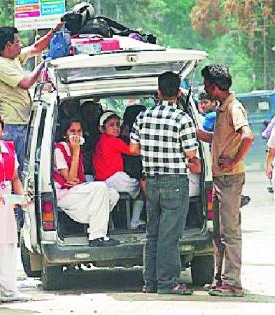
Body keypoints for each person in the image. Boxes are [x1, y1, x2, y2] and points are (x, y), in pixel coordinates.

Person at [130, 71, 199, 295]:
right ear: (178, 93)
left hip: (151, 182)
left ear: (158, 92)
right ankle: (168, 283)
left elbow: (133, 149)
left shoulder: (143, 117)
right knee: (170, 235)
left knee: (153, 233)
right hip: (175, 182)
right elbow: (190, 153)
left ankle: (150, 282)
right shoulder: (182, 119)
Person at [197, 64, 254, 297]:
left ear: (213, 86)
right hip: (221, 178)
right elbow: (220, 138)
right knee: (218, 232)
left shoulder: (233, 107)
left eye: (206, 84)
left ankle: (233, 284)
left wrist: (233, 161)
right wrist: (196, 133)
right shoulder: (222, 109)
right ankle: (221, 280)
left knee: (229, 232)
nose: (204, 88)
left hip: (230, 178)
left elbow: (247, 136)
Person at [0, 22, 63, 175]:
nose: (21, 44)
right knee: (16, 169)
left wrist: (53, 31)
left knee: (27, 166)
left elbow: (37, 48)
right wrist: (44, 63)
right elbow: (26, 83)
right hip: (14, 125)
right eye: (17, 42)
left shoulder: (14, 58)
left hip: (25, 121)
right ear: (8, 45)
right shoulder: (0, 65)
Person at [0, 113, 30, 303]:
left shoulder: (8, 148)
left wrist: (22, 197)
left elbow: (15, 177)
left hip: (6, 202)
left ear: (3, 129)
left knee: (6, 246)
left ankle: (9, 291)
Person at [54, 117, 120, 247]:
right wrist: (76, 151)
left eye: (79, 131)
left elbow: (77, 180)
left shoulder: (77, 150)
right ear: (64, 133)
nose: (76, 135)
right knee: (100, 187)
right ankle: (97, 236)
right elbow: (70, 178)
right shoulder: (59, 150)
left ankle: (94, 223)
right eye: (72, 131)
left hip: (75, 190)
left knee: (112, 194)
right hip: (63, 193)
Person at [92, 111, 145, 232]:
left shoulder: (101, 140)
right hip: (115, 179)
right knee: (143, 189)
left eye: (117, 124)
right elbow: (134, 151)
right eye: (111, 125)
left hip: (102, 181)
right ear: (102, 128)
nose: (116, 128)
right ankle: (135, 221)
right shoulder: (113, 140)